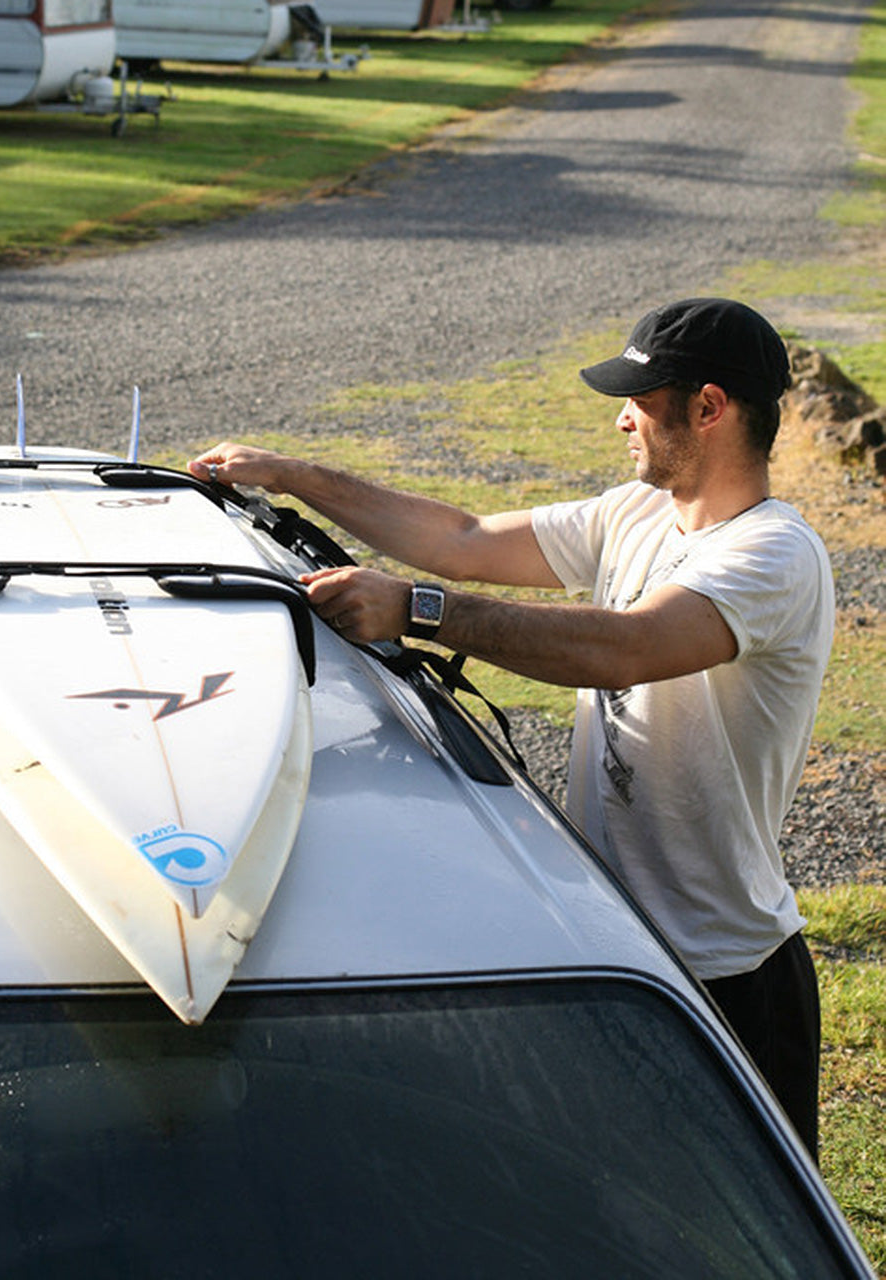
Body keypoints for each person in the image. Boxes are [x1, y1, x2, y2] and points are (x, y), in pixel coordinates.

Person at [190, 298, 834, 1159]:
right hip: (622, 952)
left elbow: (627, 647)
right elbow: (462, 538)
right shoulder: (638, 516)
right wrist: (296, 475)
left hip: (730, 975)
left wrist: (414, 610)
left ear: (709, 408)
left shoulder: (775, 556)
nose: (621, 418)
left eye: (639, 400)